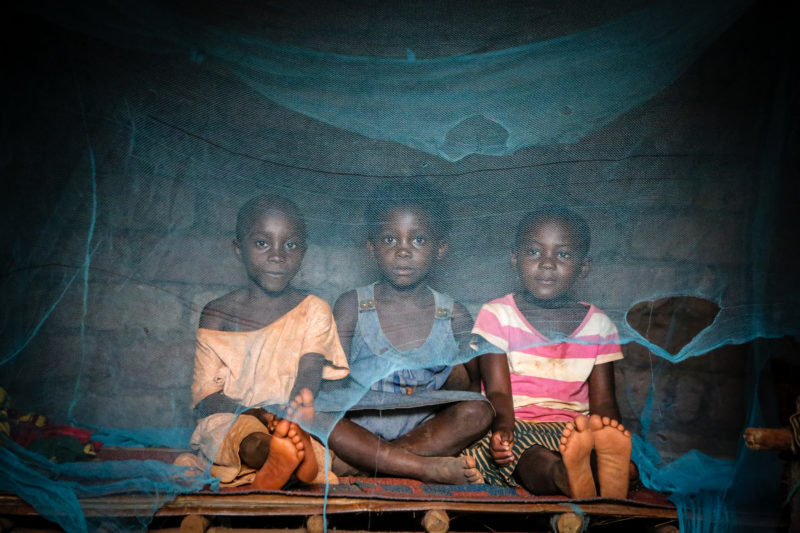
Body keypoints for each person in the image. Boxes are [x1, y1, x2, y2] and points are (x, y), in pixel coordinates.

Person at [324, 181, 493, 485]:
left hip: (424, 432)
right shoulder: (352, 306)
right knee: (318, 412)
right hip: (360, 428)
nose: (403, 251)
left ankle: (372, 465)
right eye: (390, 239)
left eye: (418, 240)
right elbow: (333, 382)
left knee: (478, 410)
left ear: (440, 249)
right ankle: (420, 468)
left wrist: (450, 371)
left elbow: (466, 389)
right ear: (371, 247)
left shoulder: (453, 315)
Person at [463, 207, 634, 498]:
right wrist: (503, 431)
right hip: (517, 426)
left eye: (563, 255)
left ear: (584, 267)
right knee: (531, 459)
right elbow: (498, 393)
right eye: (534, 252)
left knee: (600, 457)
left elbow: (604, 402)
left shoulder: (599, 325)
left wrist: (607, 436)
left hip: (574, 432)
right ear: (514, 258)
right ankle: (565, 477)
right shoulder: (497, 315)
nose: (547, 264)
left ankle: (603, 469)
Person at [188, 195, 349, 489]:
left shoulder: (314, 309)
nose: (278, 255)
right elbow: (206, 396)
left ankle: (286, 460)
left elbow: (310, 372)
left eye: (290, 245)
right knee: (230, 435)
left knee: (318, 435)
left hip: (290, 418)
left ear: (304, 252)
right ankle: (278, 458)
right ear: (238, 249)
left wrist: (289, 412)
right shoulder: (218, 314)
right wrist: (259, 414)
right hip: (234, 416)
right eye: (263, 243)